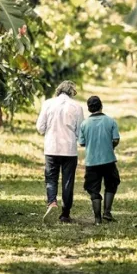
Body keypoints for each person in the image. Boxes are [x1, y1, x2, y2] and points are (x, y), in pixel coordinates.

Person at [36, 81, 85, 223]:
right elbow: (80, 130)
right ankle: (65, 213)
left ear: (58, 90)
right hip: (69, 150)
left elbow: (40, 127)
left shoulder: (48, 103)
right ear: (72, 93)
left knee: (51, 178)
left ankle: (52, 202)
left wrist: (49, 131)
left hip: (51, 147)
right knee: (68, 180)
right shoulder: (77, 106)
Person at [79, 96, 121, 225]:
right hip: (108, 159)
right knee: (112, 184)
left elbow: (82, 143)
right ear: (101, 106)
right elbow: (115, 139)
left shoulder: (84, 124)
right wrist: (110, 146)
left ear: (89, 108)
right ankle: (107, 213)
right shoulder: (110, 121)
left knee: (93, 188)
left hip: (92, 162)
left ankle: (97, 219)